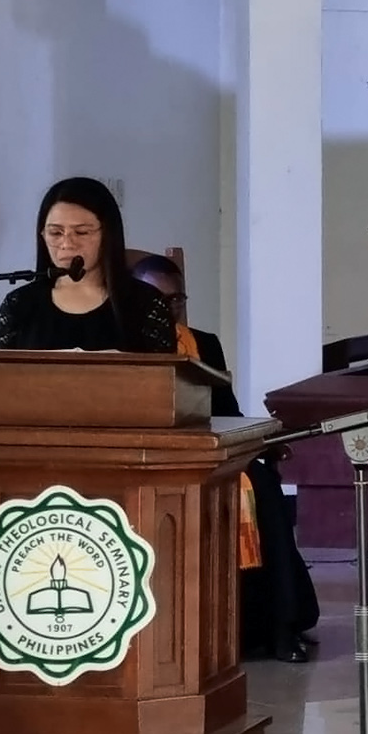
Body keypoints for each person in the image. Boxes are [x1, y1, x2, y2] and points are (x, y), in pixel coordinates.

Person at [131, 252, 319, 663]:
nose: (169, 309)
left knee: (263, 485)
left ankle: (281, 627)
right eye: (158, 300)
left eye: (177, 299)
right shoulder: (125, 344)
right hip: (154, 457)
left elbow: (227, 412)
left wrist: (260, 442)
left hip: (209, 450)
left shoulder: (204, 343)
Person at [0, 177, 176, 353]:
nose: (67, 244)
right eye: (55, 233)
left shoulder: (146, 304)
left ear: (108, 235)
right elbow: (0, 373)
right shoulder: (18, 306)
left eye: (81, 232)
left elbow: (165, 373)